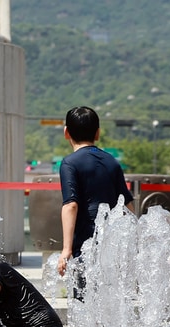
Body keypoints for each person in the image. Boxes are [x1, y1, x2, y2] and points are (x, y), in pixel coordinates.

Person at [57, 106, 134, 294]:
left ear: (66, 133)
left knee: (84, 299)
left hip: (84, 244)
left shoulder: (69, 163)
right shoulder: (111, 161)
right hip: (111, 246)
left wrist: (66, 249)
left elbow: (71, 205)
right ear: (98, 133)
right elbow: (128, 205)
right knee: (109, 296)